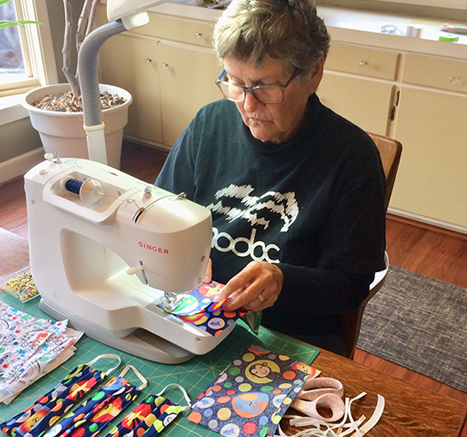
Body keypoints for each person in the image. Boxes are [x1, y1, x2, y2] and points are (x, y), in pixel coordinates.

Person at [154, 0, 387, 355]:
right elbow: (160, 211)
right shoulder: (209, 124)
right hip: (192, 313)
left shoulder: (351, 158)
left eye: (265, 87)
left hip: (286, 334)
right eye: (235, 83)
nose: (248, 105)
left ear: (314, 73)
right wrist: (181, 257)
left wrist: (282, 280)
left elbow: (350, 284)